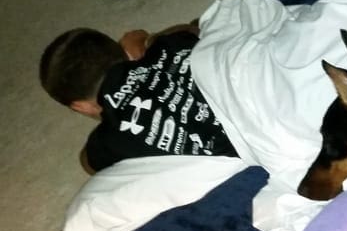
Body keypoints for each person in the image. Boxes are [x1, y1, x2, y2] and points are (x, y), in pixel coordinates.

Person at [39, 22, 238, 174]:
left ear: (80, 107)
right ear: (123, 53)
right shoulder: (169, 45)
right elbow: (190, 29)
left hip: (239, 159)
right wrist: (148, 40)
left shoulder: (109, 142)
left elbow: (87, 163)